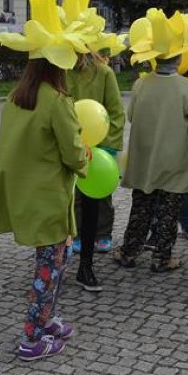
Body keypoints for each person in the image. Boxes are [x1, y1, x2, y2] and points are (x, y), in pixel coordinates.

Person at [0, 0, 90, 361]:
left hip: (29, 195)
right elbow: (73, 151)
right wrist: (85, 158)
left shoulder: (18, 97)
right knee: (49, 269)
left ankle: (46, 320)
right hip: (49, 198)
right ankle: (32, 338)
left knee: (53, 263)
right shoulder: (56, 101)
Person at [113, 9, 188, 273]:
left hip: (145, 157)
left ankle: (129, 251)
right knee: (169, 210)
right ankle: (162, 257)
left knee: (141, 206)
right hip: (174, 159)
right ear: (179, 59)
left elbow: (131, 116)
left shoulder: (141, 85)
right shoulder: (187, 88)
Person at [67, 46, 125, 292]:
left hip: (96, 150)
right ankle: (73, 237)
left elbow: (115, 112)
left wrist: (109, 146)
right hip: (68, 148)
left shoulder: (104, 73)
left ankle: (94, 246)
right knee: (71, 200)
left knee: (97, 199)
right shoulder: (61, 70)